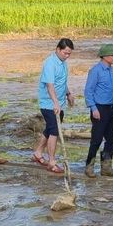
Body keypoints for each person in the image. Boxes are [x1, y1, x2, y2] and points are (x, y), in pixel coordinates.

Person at [32, 39, 75, 174]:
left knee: (50, 129)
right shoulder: (50, 64)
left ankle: (38, 153)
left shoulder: (63, 63)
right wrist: (55, 102)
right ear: (57, 49)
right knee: (54, 132)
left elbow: (61, 81)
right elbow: (50, 85)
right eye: (65, 53)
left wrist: (68, 94)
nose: (66, 56)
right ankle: (52, 162)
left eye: (69, 54)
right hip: (48, 104)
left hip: (59, 102)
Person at [83, 44, 113, 178]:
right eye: (112, 55)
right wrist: (93, 108)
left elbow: (111, 90)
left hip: (111, 108)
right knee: (97, 139)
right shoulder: (96, 70)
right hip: (100, 108)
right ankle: (89, 166)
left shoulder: (111, 70)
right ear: (104, 56)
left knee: (112, 138)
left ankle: (106, 167)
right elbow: (89, 91)